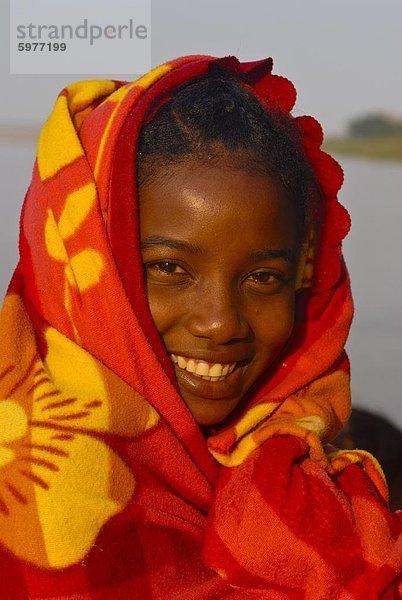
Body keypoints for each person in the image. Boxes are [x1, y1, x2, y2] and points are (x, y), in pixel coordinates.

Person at [0, 54, 401, 599]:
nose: (220, 322)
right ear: (85, 269)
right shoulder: (24, 499)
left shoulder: (322, 490)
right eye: (169, 268)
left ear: (303, 278)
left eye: (263, 277)